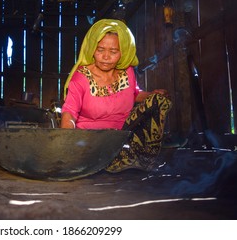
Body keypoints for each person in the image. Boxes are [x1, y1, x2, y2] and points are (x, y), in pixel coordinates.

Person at [61, 19, 172, 173]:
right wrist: (67, 145)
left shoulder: (127, 71)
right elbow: (69, 112)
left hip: (124, 136)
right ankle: (117, 161)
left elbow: (134, 95)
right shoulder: (81, 77)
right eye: (100, 50)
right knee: (111, 159)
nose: (106, 56)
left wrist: (151, 95)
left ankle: (146, 158)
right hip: (93, 140)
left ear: (123, 52)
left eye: (113, 51)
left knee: (158, 101)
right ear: (92, 49)